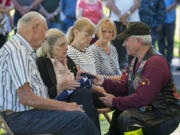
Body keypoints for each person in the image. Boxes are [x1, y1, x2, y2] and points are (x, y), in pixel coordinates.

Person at [0, 11, 100, 135]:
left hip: (27, 114)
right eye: (45, 30)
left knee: (79, 108)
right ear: (35, 28)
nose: (46, 37)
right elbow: (26, 98)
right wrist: (64, 106)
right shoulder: (18, 51)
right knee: (78, 119)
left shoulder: (21, 49)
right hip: (21, 117)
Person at [89, 22, 180, 135]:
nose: (123, 44)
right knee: (122, 107)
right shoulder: (136, 60)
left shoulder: (155, 63)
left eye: (126, 40)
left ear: (138, 41)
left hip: (164, 116)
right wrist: (103, 81)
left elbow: (142, 98)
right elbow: (125, 88)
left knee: (128, 118)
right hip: (149, 110)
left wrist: (114, 101)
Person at [36, 28, 100, 130]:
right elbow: (42, 93)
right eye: (62, 45)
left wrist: (77, 77)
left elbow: (73, 80)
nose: (66, 48)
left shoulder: (68, 59)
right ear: (49, 47)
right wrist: (60, 87)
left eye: (66, 44)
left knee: (84, 94)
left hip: (75, 98)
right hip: (56, 101)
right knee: (83, 95)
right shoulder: (42, 63)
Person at [106, 0, 140, 69]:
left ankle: (132, 74)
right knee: (115, 49)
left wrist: (125, 15)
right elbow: (109, 3)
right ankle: (115, 75)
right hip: (116, 21)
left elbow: (137, 3)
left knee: (133, 49)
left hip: (133, 21)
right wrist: (121, 16)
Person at [158, 0, 180, 65]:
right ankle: (161, 62)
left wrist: (164, 11)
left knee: (170, 42)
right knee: (160, 42)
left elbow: (176, 3)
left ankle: (169, 62)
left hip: (170, 20)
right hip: (159, 21)